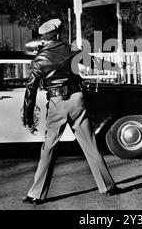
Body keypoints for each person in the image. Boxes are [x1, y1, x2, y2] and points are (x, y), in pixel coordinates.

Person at [22, 18, 122, 205]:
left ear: (44, 38)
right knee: (90, 144)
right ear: (59, 34)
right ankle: (108, 187)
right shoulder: (72, 50)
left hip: (56, 103)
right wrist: (114, 67)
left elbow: (31, 90)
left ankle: (36, 195)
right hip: (77, 100)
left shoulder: (39, 60)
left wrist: (28, 116)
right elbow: (94, 62)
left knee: (49, 147)